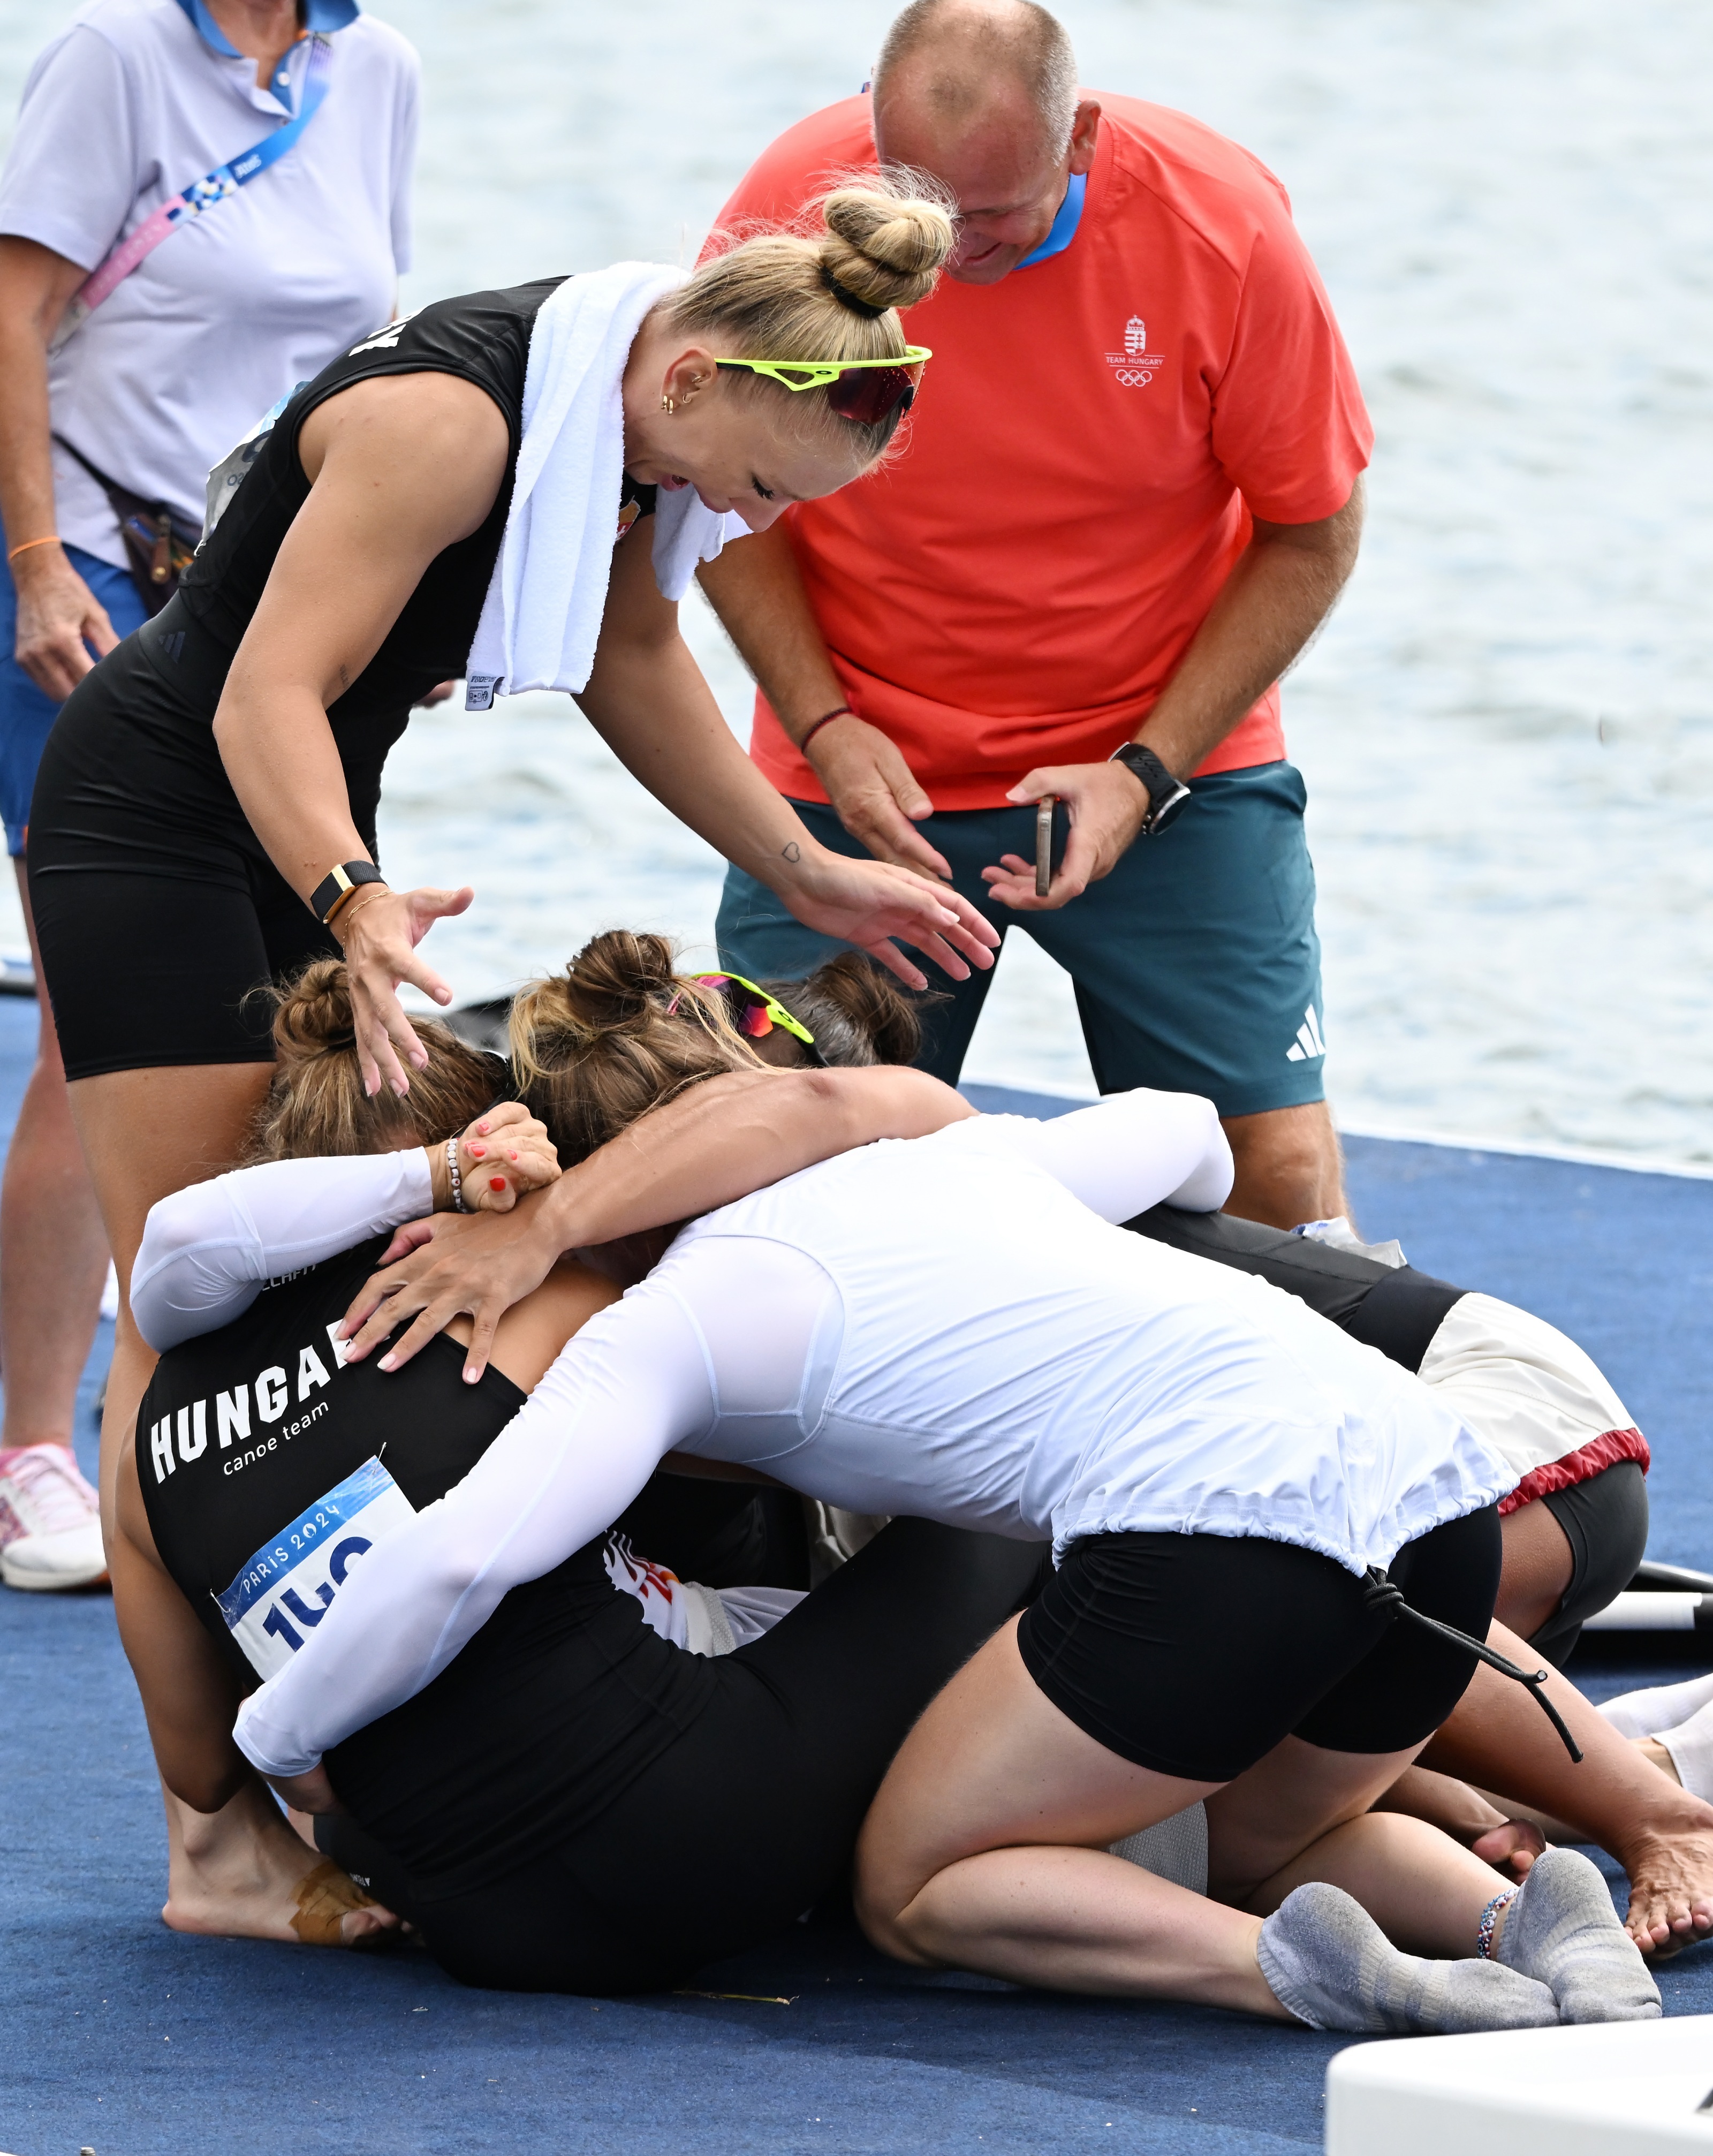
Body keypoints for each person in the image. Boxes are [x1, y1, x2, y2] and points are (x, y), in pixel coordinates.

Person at [209, 939, 1657, 2027]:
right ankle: (1522, 1924)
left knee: (915, 1886)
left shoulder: (674, 1319)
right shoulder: (966, 1154)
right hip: (1434, 1496)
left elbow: (463, 1557)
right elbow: (1186, 1127)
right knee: (1245, 1838)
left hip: (1220, 1538)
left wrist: (277, 1740)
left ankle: (1297, 1982)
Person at [113, 956, 1043, 1962]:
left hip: (448, 1903)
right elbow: (845, 1446)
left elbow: (201, 1773)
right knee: (1001, 1476)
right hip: (702, 1847)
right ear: (492, 1167)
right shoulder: (545, 1304)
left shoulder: (141, 1449)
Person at [696, 0, 1368, 1232]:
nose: (949, 257)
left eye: (991, 217)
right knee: (757, 1173)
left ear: (1082, 137)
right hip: (860, 766)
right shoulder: (796, 201)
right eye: (920, 208)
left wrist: (1145, 773)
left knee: (1273, 1182)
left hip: (1162, 760)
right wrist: (823, 723)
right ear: (870, 133)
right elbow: (713, 491)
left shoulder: (1222, 228)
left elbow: (1313, 530)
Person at [0, 0, 420, 1588]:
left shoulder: (374, 67)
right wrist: (36, 563)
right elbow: (11, 315)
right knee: (93, 1025)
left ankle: (237, 1408)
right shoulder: (114, 54)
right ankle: (31, 1448)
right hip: (88, 575)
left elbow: (372, 354)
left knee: (285, 991)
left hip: (266, 589)